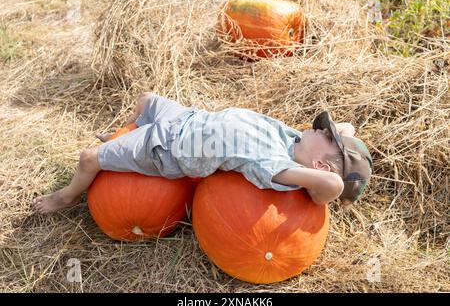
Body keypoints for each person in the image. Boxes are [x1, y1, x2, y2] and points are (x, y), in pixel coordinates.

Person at [33, 92, 372, 214]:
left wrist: (339, 181)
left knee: (89, 158)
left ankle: (66, 197)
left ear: (317, 166)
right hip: (187, 118)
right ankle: (125, 134)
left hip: (165, 148)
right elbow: (347, 128)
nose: (323, 128)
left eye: (326, 135)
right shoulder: (295, 138)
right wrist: (339, 141)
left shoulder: (280, 167)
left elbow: (330, 186)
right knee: (147, 99)